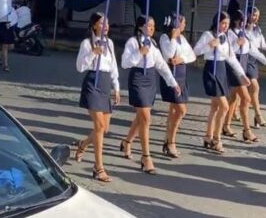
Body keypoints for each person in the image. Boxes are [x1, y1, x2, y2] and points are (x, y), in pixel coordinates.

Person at [120, 16, 180, 175]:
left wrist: (173, 82)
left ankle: (126, 142)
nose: (152, 28)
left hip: (150, 80)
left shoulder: (153, 44)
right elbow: (125, 63)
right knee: (146, 117)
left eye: (153, 25)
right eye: (149, 25)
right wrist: (140, 53)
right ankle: (146, 157)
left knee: (141, 116)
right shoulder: (133, 42)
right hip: (138, 79)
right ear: (140, 27)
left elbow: (161, 65)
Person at [193, 12, 251, 154]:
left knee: (215, 107)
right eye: (223, 23)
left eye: (227, 23)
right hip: (211, 70)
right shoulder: (208, 35)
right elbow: (195, 51)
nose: (225, 26)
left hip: (221, 70)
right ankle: (217, 139)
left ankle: (208, 136)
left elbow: (231, 57)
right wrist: (209, 45)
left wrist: (242, 75)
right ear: (216, 22)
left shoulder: (225, 37)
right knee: (224, 106)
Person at [74, 12, 120, 183]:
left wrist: (116, 86)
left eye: (107, 23)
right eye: (102, 23)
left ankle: (83, 145)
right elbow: (80, 67)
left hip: (106, 83)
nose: (105, 26)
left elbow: (113, 66)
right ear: (94, 25)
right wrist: (93, 52)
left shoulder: (110, 43)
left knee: (104, 128)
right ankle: (98, 167)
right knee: (99, 125)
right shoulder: (87, 43)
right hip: (93, 82)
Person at [222, 10, 266, 144]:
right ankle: (247, 130)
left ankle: (226, 126)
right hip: (234, 66)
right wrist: (236, 44)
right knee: (246, 98)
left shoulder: (244, 33)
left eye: (245, 20)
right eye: (241, 20)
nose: (244, 22)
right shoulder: (230, 34)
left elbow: (253, 50)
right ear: (235, 21)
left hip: (243, 65)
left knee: (233, 98)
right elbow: (226, 52)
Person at [158, 13, 196, 158]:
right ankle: (171, 141)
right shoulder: (165, 37)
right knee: (181, 110)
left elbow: (192, 55)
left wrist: (182, 58)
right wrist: (173, 37)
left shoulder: (183, 39)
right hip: (170, 75)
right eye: (183, 22)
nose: (184, 25)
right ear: (176, 23)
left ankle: (168, 139)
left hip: (181, 74)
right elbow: (168, 53)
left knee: (174, 110)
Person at [0, 4, 18, 72]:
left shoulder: (12, 9)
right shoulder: (0, 8)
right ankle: (6, 65)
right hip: (2, 27)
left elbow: (15, 18)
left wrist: (10, 24)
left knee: (11, 47)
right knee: (5, 46)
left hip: (9, 28)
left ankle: (0, 56)